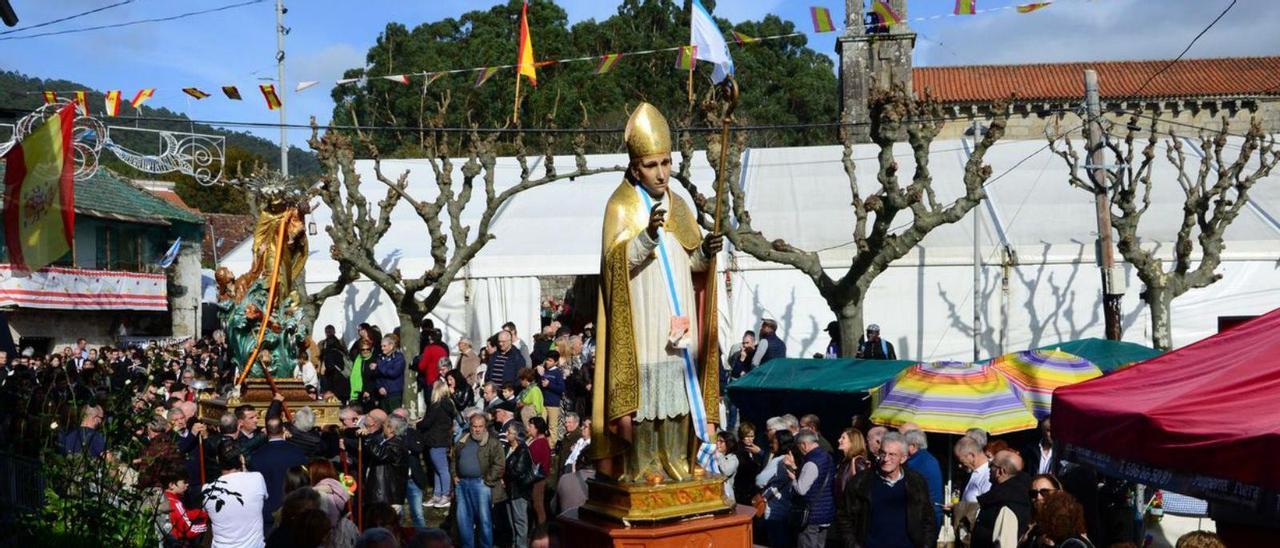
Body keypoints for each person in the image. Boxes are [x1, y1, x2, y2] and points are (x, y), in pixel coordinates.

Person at [591, 102, 724, 484]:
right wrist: (646, 236)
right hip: (642, 317)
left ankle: (679, 461)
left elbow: (692, 264)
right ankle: (643, 465)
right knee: (648, 393)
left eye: (666, 163)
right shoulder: (620, 205)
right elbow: (613, 267)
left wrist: (705, 253)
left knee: (681, 390)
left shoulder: (679, 204)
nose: (662, 173)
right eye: (652, 165)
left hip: (679, 314)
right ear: (635, 168)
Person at [836, 432, 935, 548]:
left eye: (892, 454)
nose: (886, 459)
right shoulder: (861, 482)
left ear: (902, 458)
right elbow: (844, 518)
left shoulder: (916, 482)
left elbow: (928, 519)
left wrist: (926, 545)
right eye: (883, 453)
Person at [452, 413, 505, 548]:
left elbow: (499, 464)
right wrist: (454, 475)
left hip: (481, 485)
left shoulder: (493, 442)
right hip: (462, 485)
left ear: (485, 427)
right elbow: (453, 459)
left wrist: (487, 480)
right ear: (470, 427)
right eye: (474, 426)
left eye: (480, 426)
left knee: (484, 520)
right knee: (463, 520)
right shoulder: (462, 441)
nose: (477, 429)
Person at [203, 439, 269, 548]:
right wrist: (243, 465)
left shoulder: (208, 490)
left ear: (218, 460)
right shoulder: (257, 478)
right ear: (241, 458)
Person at [249, 416, 309, 534]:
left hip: (268, 512)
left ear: (267, 431)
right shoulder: (297, 452)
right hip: (293, 510)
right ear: (283, 429)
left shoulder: (257, 456)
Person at [971, 451, 1031, 548]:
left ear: (1001, 471)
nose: (989, 468)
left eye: (991, 465)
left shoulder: (1007, 504)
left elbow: (1005, 544)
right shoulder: (1005, 496)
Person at [787, 429, 836, 548]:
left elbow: (801, 490)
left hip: (812, 515)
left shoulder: (811, 462)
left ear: (804, 445)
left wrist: (792, 478)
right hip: (826, 512)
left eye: (798, 446)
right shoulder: (828, 457)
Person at [420, 380, 456, 509]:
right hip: (442, 439)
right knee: (437, 469)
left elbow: (426, 423)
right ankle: (437, 494)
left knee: (441, 469)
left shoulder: (436, 406)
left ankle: (445, 495)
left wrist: (418, 423)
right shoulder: (448, 404)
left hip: (436, 440)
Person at [831, 427, 870, 545]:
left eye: (843, 438)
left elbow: (864, 490)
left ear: (853, 442)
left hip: (852, 517)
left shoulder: (858, 463)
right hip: (842, 514)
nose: (839, 440)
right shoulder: (844, 462)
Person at [902, 427, 943, 537]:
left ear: (913, 446)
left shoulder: (915, 463)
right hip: (933, 515)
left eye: (903, 445)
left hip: (922, 517)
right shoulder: (931, 459)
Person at [758, 430, 796, 548]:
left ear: (780, 443)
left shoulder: (778, 461)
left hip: (774, 510)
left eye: (774, 441)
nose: (771, 444)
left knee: (775, 541)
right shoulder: (793, 458)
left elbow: (759, 481)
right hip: (788, 508)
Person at [361, 413, 408, 507]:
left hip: (387, 496)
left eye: (385, 424)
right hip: (383, 496)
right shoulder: (387, 442)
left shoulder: (396, 445)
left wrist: (368, 437)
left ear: (391, 428)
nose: (383, 426)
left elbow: (379, 454)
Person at [155, 470, 210, 547]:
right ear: (171, 485)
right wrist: (206, 525)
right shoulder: (175, 503)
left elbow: (184, 514)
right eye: (184, 482)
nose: (187, 485)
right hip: (176, 543)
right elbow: (188, 530)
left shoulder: (165, 497)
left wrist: (203, 514)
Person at [503, 421, 535, 548]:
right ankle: (514, 544)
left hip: (519, 491)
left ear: (516, 435)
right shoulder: (507, 448)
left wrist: (503, 473)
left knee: (519, 521)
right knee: (511, 522)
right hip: (509, 490)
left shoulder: (522, 450)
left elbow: (517, 471)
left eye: (509, 432)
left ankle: (521, 545)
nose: (506, 434)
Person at [526, 416, 552, 526]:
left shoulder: (539, 443)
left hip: (538, 479)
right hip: (536, 478)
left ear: (537, 428)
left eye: (531, 426)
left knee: (538, 505)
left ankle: (542, 530)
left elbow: (534, 460)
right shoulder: (536, 441)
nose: (528, 428)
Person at [537, 352, 565, 445]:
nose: (547, 362)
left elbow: (561, 388)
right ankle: (540, 442)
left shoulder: (557, 373)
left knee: (552, 426)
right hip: (543, 403)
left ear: (556, 362)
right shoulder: (544, 371)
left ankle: (552, 445)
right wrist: (540, 374)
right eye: (547, 360)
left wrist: (549, 384)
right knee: (541, 424)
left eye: (550, 361)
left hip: (553, 403)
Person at [371, 336, 406, 412]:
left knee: (394, 416)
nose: (382, 348)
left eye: (384, 346)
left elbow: (393, 373)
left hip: (394, 393)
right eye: (381, 346)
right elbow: (377, 376)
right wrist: (380, 387)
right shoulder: (380, 357)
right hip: (382, 393)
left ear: (391, 346)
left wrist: (379, 367)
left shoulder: (398, 357)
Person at [733, 422, 764, 504]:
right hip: (742, 490)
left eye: (752, 436)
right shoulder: (738, 449)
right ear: (742, 436)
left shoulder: (754, 448)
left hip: (752, 490)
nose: (750, 439)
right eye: (747, 436)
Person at [714, 431, 739, 506]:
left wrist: (719, 455)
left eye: (721, 441)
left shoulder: (733, 459)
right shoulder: (716, 457)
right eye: (717, 440)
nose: (717, 443)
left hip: (727, 496)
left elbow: (726, 471)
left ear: (729, 444)